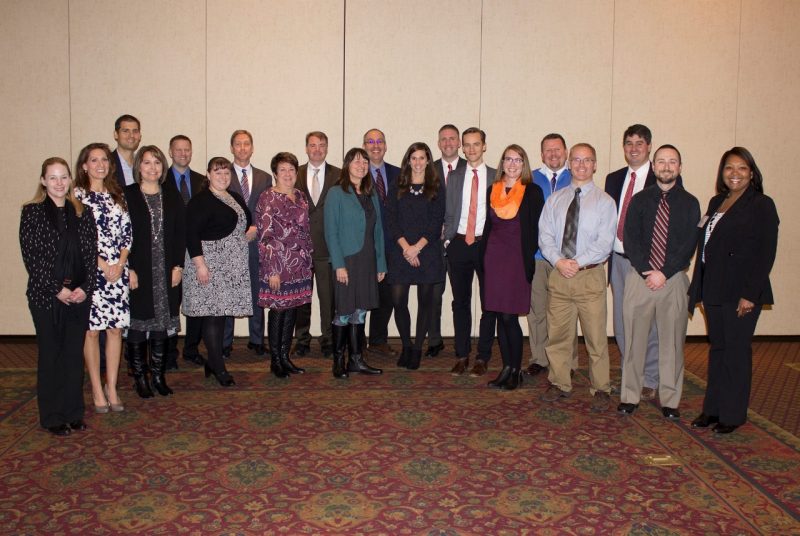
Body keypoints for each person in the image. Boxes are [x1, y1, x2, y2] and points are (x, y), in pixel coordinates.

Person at [688, 147, 779, 434]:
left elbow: (766, 252)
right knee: (718, 350)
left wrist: (751, 294)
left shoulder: (762, 204)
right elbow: (707, 247)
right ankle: (712, 409)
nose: (735, 173)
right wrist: (700, 287)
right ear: (722, 172)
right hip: (714, 288)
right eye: (729, 168)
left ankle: (732, 414)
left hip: (741, 292)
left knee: (736, 353)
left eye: (741, 168)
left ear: (752, 173)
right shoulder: (717, 201)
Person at [617, 145, 700, 419]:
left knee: (672, 343)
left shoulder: (690, 203)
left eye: (672, 162)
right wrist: (647, 270)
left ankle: (670, 400)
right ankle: (630, 396)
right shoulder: (639, 200)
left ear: (680, 166)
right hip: (639, 278)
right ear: (653, 166)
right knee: (633, 341)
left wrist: (664, 272)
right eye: (661, 162)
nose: (666, 166)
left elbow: (689, 244)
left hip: (673, 280)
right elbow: (631, 239)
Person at [20, 157, 97, 436]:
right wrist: (58, 289)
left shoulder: (82, 213)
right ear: (43, 181)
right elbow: (33, 258)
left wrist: (85, 287)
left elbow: (90, 255)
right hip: (46, 297)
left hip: (79, 295)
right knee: (52, 355)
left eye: (63, 177)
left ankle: (73, 413)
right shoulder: (32, 212)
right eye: (53, 177)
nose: (59, 183)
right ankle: (52, 416)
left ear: (70, 180)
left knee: (73, 356)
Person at [538, 143, 616, 412]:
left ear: (595, 165)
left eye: (588, 160)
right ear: (569, 164)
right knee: (558, 335)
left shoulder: (605, 202)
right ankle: (559, 382)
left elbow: (605, 243)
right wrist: (560, 261)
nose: (581, 165)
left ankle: (602, 387)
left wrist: (576, 262)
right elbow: (545, 236)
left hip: (589, 276)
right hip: (559, 275)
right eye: (577, 160)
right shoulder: (555, 199)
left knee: (595, 338)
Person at [183, 157, 253, 386]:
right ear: (208, 175)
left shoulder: (233, 197)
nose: (223, 177)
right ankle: (219, 368)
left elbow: (247, 220)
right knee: (213, 316)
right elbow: (191, 233)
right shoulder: (200, 200)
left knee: (222, 314)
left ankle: (212, 362)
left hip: (230, 266)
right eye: (218, 172)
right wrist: (200, 265)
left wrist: (250, 231)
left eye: (226, 173)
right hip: (209, 265)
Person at [74, 143, 131, 414]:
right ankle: (96, 388)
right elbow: (77, 238)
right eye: (94, 160)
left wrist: (119, 263)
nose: (100, 164)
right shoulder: (77, 196)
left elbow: (127, 234)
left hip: (117, 272)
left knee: (115, 330)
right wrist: (101, 264)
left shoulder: (116, 194)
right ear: (84, 165)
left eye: (104, 160)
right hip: (90, 272)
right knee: (92, 331)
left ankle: (112, 386)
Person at [124, 145, 186, 397]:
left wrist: (178, 266)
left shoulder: (171, 195)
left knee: (161, 324)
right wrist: (128, 268)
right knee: (138, 325)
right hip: (139, 269)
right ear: (139, 166)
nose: (152, 168)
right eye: (147, 163)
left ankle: (159, 376)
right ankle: (140, 377)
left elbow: (179, 233)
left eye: (157, 163)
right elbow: (121, 236)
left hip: (166, 269)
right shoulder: (127, 195)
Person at [482, 145, 544, 390]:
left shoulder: (532, 192)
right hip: (494, 258)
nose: (512, 164)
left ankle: (516, 370)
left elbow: (536, 230)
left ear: (524, 164)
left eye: (518, 160)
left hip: (516, 260)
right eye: (508, 159)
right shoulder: (492, 190)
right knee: (498, 315)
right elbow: (488, 227)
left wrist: (527, 258)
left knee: (510, 317)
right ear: (502, 162)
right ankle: (506, 368)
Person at [324, 147, 386, 379]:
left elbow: (378, 230)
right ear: (347, 165)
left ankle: (356, 360)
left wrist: (381, 264)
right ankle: (338, 360)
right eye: (356, 161)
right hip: (347, 261)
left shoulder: (371, 193)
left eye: (364, 162)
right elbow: (331, 232)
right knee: (343, 311)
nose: (361, 166)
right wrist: (338, 264)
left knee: (360, 312)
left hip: (368, 260)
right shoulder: (336, 193)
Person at [442, 127, 498, 377]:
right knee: (460, 303)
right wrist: (447, 240)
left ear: (484, 146)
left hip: (487, 245)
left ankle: (483, 356)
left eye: (476, 144)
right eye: (467, 145)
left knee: (490, 303)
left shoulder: (498, 176)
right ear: (462, 148)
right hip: (459, 244)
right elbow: (449, 211)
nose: (471, 149)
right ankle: (462, 355)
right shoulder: (454, 177)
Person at [385, 142, 446, 369]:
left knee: (425, 303)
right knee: (399, 301)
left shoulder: (436, 186)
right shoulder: (397, 185)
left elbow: (436, 221)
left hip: (427, 251)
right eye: (414, 158)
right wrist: (406, 248)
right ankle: (406, 345)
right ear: (408, 160)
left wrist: (417, 248)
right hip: (401, 250)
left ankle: (418, 348)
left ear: (428, 160)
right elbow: (390, 219)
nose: (418, 162)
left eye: (422, 158)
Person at [256, 152, 313, 378]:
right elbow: (265, 237)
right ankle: (275, 360)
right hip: (278, 266)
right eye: (283, 170)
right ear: (275, 173)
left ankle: (285, 356)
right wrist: (272, 270)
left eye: (291, 169)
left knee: (291, 313)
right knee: (278, 312)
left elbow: (305, 231)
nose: (288, 174)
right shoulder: (267, 198)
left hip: (299, 266)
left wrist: (308, 260)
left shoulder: (300, 196)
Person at [526, 133, 578, 377]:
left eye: (557, 150)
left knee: (566, 312)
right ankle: (539, 358)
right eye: (548, 150)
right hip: (537, 257)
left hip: (567, 259)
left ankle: (567, 360)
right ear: (541, 154)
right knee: (537, 310)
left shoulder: (577, 176)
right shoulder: (531, 178)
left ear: (566, 152)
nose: (553, 154)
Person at [292, 131, 340, 359]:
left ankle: (328, 339)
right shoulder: (294, 173)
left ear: (327, 148)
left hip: (328, 248)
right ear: (306, 148)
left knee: (328, 298)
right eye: (313, 145)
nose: (317, 149)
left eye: (322, 145)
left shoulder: (339, 175)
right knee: (301, 298)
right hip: (299, 250)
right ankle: (302, 339)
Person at [225, 130, 272, 357]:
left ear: (252, 148)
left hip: (256, 244)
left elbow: (267, 210)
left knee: (257, 292)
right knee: (229, 292)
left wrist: (257, 228)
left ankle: (256, 340)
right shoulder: (223, 175)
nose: (242, 148)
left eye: (246, 144)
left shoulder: (264, 177)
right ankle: (226, 342)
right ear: (232, 148)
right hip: (230, 244)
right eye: (238, 144)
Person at [163, 134, 205, 368]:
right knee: (171, 303)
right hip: (171, 252)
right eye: (178, 150)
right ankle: (169, 353)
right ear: (170, 152)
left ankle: (191, 349)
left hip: (197, 250)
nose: (183, 153)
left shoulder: (201, 181)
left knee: (196, 303)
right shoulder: (160, 179)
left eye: (187, 150)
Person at [427, 124, 466, 357]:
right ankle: (434, 340)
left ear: (459, 142)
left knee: (461, 297)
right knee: (434, 294)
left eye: (453, 139)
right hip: (433, 244)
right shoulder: (428, 170)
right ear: (438, 143)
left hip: (461, 242)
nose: (448, 143)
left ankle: (462, 344)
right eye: (444, 139)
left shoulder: (470, 168)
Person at [362, 128, 399, 357]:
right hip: (364, 247)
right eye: (370, 141)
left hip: (393, 246)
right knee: (361, 294)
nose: (375, 145)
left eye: (380, 141)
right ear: (364, 146)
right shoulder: (356, 174)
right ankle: (355, 341)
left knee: (387, 297)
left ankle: (377, 340)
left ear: (385, 145)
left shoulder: (399, 173)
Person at [111, 114, 142, 189]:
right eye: (125, 131)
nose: (131, 135)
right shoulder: (106, 163)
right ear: (116, 135)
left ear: (140, 136)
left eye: (135, 131)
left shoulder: (144, 164)